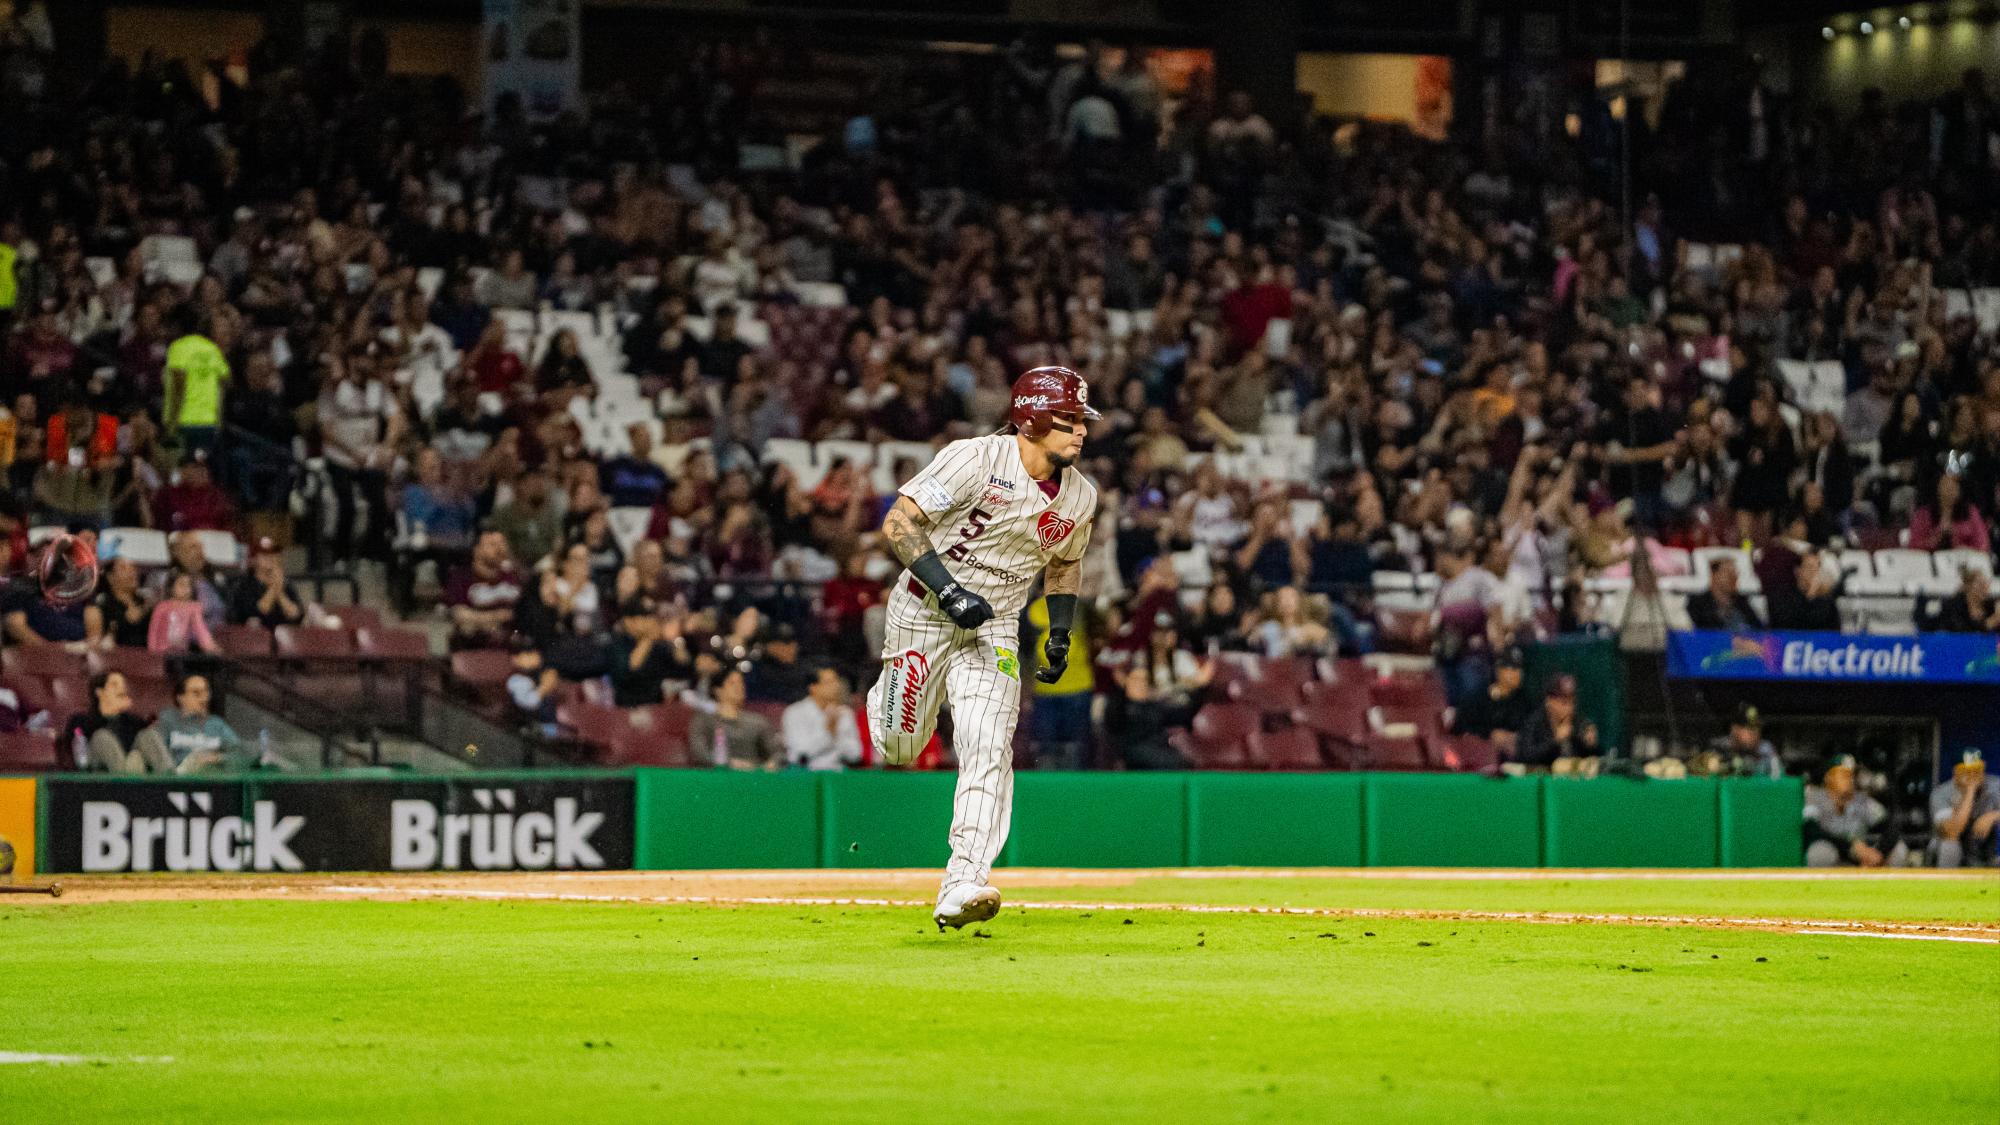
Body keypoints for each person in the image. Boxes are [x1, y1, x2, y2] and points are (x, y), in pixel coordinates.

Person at [867, 366, 1101, 930]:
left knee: (989, 741)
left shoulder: (1080, 497)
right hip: (925, 608)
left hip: (995, 624)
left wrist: (1061, 630)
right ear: (1034, 417)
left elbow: (1066, 564)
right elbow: (900, 521)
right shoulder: (974, 458)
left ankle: (964, 879)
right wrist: (948, 591)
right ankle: (885, 698)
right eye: (1069, 419)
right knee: (899, 747)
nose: (1082, 431)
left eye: (1081, 420)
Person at [142, 673, 248, 773]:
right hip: (177, 778)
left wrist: (218, 758)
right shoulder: (168, 720)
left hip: (212, 778)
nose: (204, 698)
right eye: (196, 693)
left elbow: (239, 752)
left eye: (206, 692)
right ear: (181, 698)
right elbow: (154, 747)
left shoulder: (217, 724)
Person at [63, 671, 165, 773]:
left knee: (148, 735)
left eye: (123, 685)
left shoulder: (134, 721)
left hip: (132, 770)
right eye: (114, 685)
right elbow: (80, 753)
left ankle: (171, 782)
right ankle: (122, 782)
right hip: (98, 773)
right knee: (102, 737)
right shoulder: (81, 720)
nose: (121, 689)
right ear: (99, 692)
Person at [1804, 756, 1893, 868]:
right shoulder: (1815, 797)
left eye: (1851, 774)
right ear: (1828, 777)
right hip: (1836, 856)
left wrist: (1878, 852)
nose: (1849, 779)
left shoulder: (1861, 800)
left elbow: (1891, 826)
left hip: (1860, 860)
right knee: (1820, 852)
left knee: (1899, 850)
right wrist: (1849, 847)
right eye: (1843, 775)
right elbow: (1810, 830)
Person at [687, 668, 783, 770]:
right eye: (732, 683)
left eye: (741, 682)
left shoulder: (757, 721)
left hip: (751, 776)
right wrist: (729, 763)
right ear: (718, 690)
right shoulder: (703, 721)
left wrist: (772, 763)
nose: (739, 687)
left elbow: (778, 753)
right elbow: (699, 753)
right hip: (715, 777)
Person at [442, 531, 522, 649]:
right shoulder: (461, 577)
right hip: (476, 646)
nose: (499, 549)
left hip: (514, 645)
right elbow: (460, 614)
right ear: (477, 550)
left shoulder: (514, 576)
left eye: (502, 543)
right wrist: (496, 617)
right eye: (492, 544)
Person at [782, 665, 864, 770]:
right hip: (806, 774)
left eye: (836, 681)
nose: (836, 687)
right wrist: (829, 732)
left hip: (838, 773)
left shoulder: (845, 713)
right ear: (813, 687)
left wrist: (836, 736)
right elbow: (799, 754)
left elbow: (856, 754)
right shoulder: (794, 713)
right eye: (829, 683)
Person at [1452, 646, 1533, 753]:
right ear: (1498, 670)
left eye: (1519, 669)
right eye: (1512, 668)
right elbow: (1460, 728)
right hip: (1479, 756)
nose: (1517, 674)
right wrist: (1489, 735)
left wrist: (1516, 737)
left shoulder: (1524, 699)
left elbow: (1532, 729)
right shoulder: (1478, 697)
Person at [1511, 674, 1599, 772]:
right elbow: (1525, 757)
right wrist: (1555, 741)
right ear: (1549, 701)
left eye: (1572, 702)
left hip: (1574, 780)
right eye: (1564, 703)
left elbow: (1588, 757)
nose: (1569, 708)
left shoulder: (1578, 721)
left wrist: (1590, 744)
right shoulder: (1534, 722)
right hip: (1544, 780)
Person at [1930, 749, 1999, 868]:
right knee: (1949, 846)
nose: (1972, 775)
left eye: (1977, 770)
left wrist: (1993, 815)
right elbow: (1952, 832)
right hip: (1948, 851)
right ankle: (1946, 885)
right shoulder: (1941, 793)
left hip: (1985, 849)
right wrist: (1970, 792)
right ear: (1955, 773)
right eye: (1966, 771)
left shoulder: (1995, 786)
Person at [225, 538, 305, 629]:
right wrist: (274, 588)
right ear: (253, 559)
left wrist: (279, 592)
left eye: (273, 554)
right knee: (254, 623)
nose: (270, 557)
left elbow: (296, 615)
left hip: (285, 636)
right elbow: (258, 613)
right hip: (255, 638)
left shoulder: (286, 584)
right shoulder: (243, 585)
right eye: (264, 554)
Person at [86, 555, 153, 648]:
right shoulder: (99, 608)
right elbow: (94, 647)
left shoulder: (146, 603)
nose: (132, 572)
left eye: (133, 568)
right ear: (110, 577)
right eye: (123, 568)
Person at [149, 571, 221, 655]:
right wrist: (152, 652)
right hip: (161, 651)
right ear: (171, 587)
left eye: (189, 585)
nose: (186, 589)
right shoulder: (162, 607)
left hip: (181, 653)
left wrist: (210, 646)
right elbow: (154, 631)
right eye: (181, 585)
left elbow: (201, 629)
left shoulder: (193, 608)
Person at [1766, 551, 1841, 631]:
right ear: (1797, 571)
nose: (1814, 571)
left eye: (1817, 567)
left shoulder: (1825, 599)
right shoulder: (1782, 596)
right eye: (1809, 567)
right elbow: (1790, 624)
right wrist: (1810, 596)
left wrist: (1815, 598)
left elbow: (1834, 630)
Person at [1706, 704, 1784, 779]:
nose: (1754, 732)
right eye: (1748, 727)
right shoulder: (1717, 748)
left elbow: (1779, 782)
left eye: (1757, 727)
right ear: (1734, 729)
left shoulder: (1766, 749)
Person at [1686, 558, 1764, 632]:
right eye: (1728, 572)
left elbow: (1759, 629)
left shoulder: (1742, 601)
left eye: (1735, 573)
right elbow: (1704, 633)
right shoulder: (1698, 603)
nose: (1734, 577)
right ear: (1714, 575)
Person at [1933, 568, 2000, 633]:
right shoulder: (1953, 605)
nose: (1985, 589)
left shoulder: (1990, 606)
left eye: (1986, 585)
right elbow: (1960, 631)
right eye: (1980, 585)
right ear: (1968, 587)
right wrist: (1987, 624)